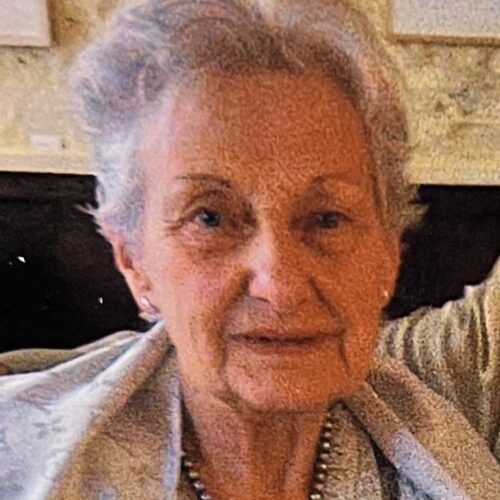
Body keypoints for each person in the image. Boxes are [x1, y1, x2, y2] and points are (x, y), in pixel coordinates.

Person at [0, 0, 499, 498]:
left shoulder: (443, 420)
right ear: (133, 260)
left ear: (388, 256)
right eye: (210, 219)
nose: (280, 286)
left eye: (327, 219)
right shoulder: (21, 464)